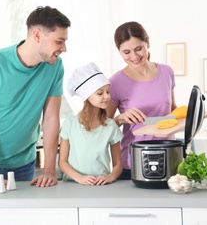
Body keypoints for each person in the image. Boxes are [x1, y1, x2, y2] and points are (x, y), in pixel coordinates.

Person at [0, 6, 71, 187]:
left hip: (24, 165)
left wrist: (49, 170)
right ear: (37, 35)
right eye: (59, 41)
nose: (64, 48)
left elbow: (51, 119)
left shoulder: (55, 67)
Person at [106, 21, 177, 180]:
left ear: (148, 43)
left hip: (168, 155)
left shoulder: (167, 72)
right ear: (119, 52)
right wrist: (121, 118)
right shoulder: (115, 82)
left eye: (139, 49)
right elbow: (103, 125)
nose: (134, 56)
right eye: (127, 52)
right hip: (133, 161)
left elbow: (173, 110)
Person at [58, 62, 123, 185]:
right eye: (100, 93)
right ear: (86, 96)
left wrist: (110, 177)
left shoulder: (110, 126)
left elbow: (118, 164)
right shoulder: (70, 124)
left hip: (101, 186)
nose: (107, 96)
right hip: (73, 185)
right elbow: (62, 162)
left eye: (108, 91)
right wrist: (79, 178)